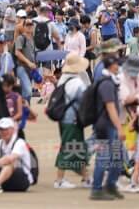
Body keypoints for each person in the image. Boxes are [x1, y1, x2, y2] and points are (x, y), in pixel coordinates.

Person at [89, 56, 125, 201]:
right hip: (105, 126)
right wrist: (119, 128)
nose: (119, 67)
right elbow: (110, 108)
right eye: (117, 65)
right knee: (103, 157)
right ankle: (97, 189)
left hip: (109, 125)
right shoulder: (107, 84)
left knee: (117, 157)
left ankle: (110, 185)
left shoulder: (110, 82)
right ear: (112, 66)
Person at [53, 53, 90, 189]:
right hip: (73, 119)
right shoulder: (77, 82)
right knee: (69, 147)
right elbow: (85, 100)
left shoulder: (63, 79)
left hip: (64, 118)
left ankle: (86, 178)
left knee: (76, 147)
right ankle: (59, 180)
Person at [0, 117, 33, 195]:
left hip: (22, 179)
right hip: (6, 178)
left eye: (6, 129)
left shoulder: (20, 142)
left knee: (9, 163)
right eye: (1, 130)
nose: (3, 132)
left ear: (12, 130)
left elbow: (10, 159)